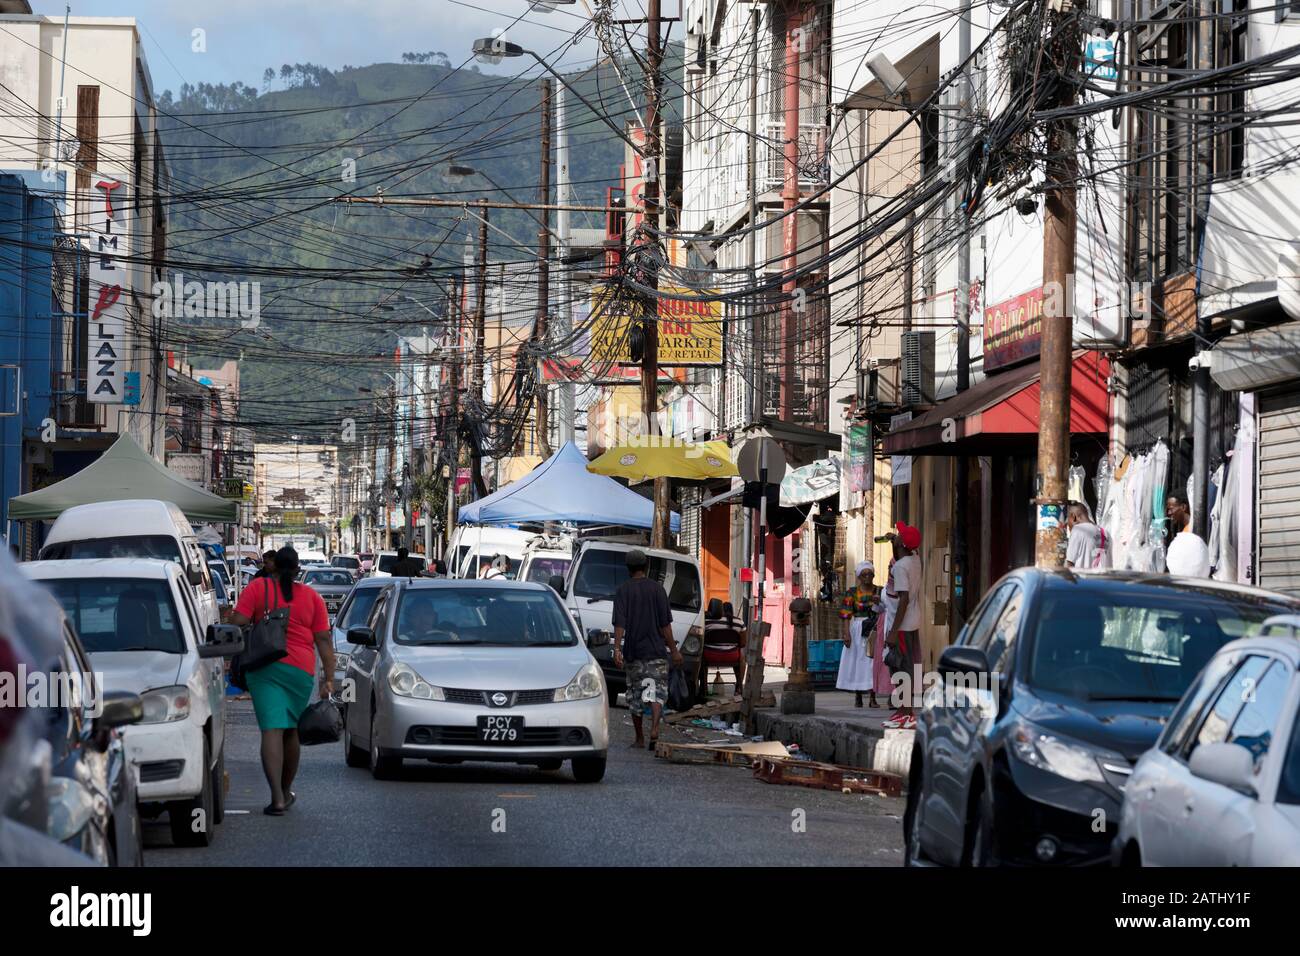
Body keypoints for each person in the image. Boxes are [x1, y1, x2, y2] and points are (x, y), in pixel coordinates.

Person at [230, 546, 334, 816]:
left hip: (263, 667)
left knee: (271, 730)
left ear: (273, 565)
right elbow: (323, 641)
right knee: (291, 731)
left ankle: (277, 796)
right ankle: (286, 791)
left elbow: (237, 620)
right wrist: (329, 679)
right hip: (299, 669)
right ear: (298, 568)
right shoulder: (312, 597)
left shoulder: (258, 588)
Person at [612, 549, 682, 750]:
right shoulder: (658, 590)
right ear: (646, 566)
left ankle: (640, 738)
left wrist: (617, 649)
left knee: (635, 695)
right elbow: (665, 626)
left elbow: (619, 624)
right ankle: (655, 730)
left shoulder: (623, 590)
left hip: (634, 653)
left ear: (628, 569)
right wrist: (674, 650)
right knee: (656, 692)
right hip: (656, 652)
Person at [883, 522, 923, 730]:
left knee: (900, 667)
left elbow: (904, 598)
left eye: (900, 535)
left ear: (903, 544)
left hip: (902, 624)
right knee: (905, 666)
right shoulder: (915, 560)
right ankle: (904, 712)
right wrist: (895, 544)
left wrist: (893, 631)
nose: (897, 534)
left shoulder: (899, 567)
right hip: (913, 621)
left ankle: (906, 713)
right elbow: (901, 555)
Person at [837, 560, 880, 708]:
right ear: (859, 577)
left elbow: (886, 608)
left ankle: (873, 697)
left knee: (872, 662)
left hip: (875, 628)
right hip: (858, 628)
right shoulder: (852, 593)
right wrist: (846, 633)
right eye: (864, 574)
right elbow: (845, 615)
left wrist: (879, 603)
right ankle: (858, 695)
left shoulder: (879, 591)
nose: (867, 577)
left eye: (870, 574)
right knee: (857, 661)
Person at [1065, 501, 1109, 570]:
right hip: (1100, 579)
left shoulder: (1078, 530)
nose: (1068, 524)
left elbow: (1070, 562)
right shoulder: (1104, 532)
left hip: (1082, 579)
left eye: (1068, 519)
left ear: (1073, 517)